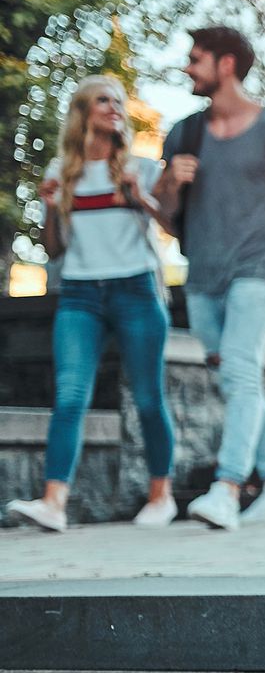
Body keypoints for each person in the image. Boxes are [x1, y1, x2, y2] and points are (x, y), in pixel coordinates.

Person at [153, 26, 265, 531]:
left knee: (241, 373)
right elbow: (167, 218)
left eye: (196, 59)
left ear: (226, 64)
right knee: (237, 379)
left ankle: (227, 488)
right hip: (202, 278)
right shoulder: (184, 133)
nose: (188, 67)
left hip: (256, 271)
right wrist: (168, 183)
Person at [5, 75, 179, 532]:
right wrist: (48, 208)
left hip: (136, 290)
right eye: (104, 101)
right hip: (80, 294)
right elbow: (55, 250)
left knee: (147, 397)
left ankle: (162, 494)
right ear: (84, 111)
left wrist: (140, 196)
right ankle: (54, 502)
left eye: (119, 101)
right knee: (70, 397)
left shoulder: (140, 167)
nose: (114, 108)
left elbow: (173, 228)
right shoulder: (61, 173)